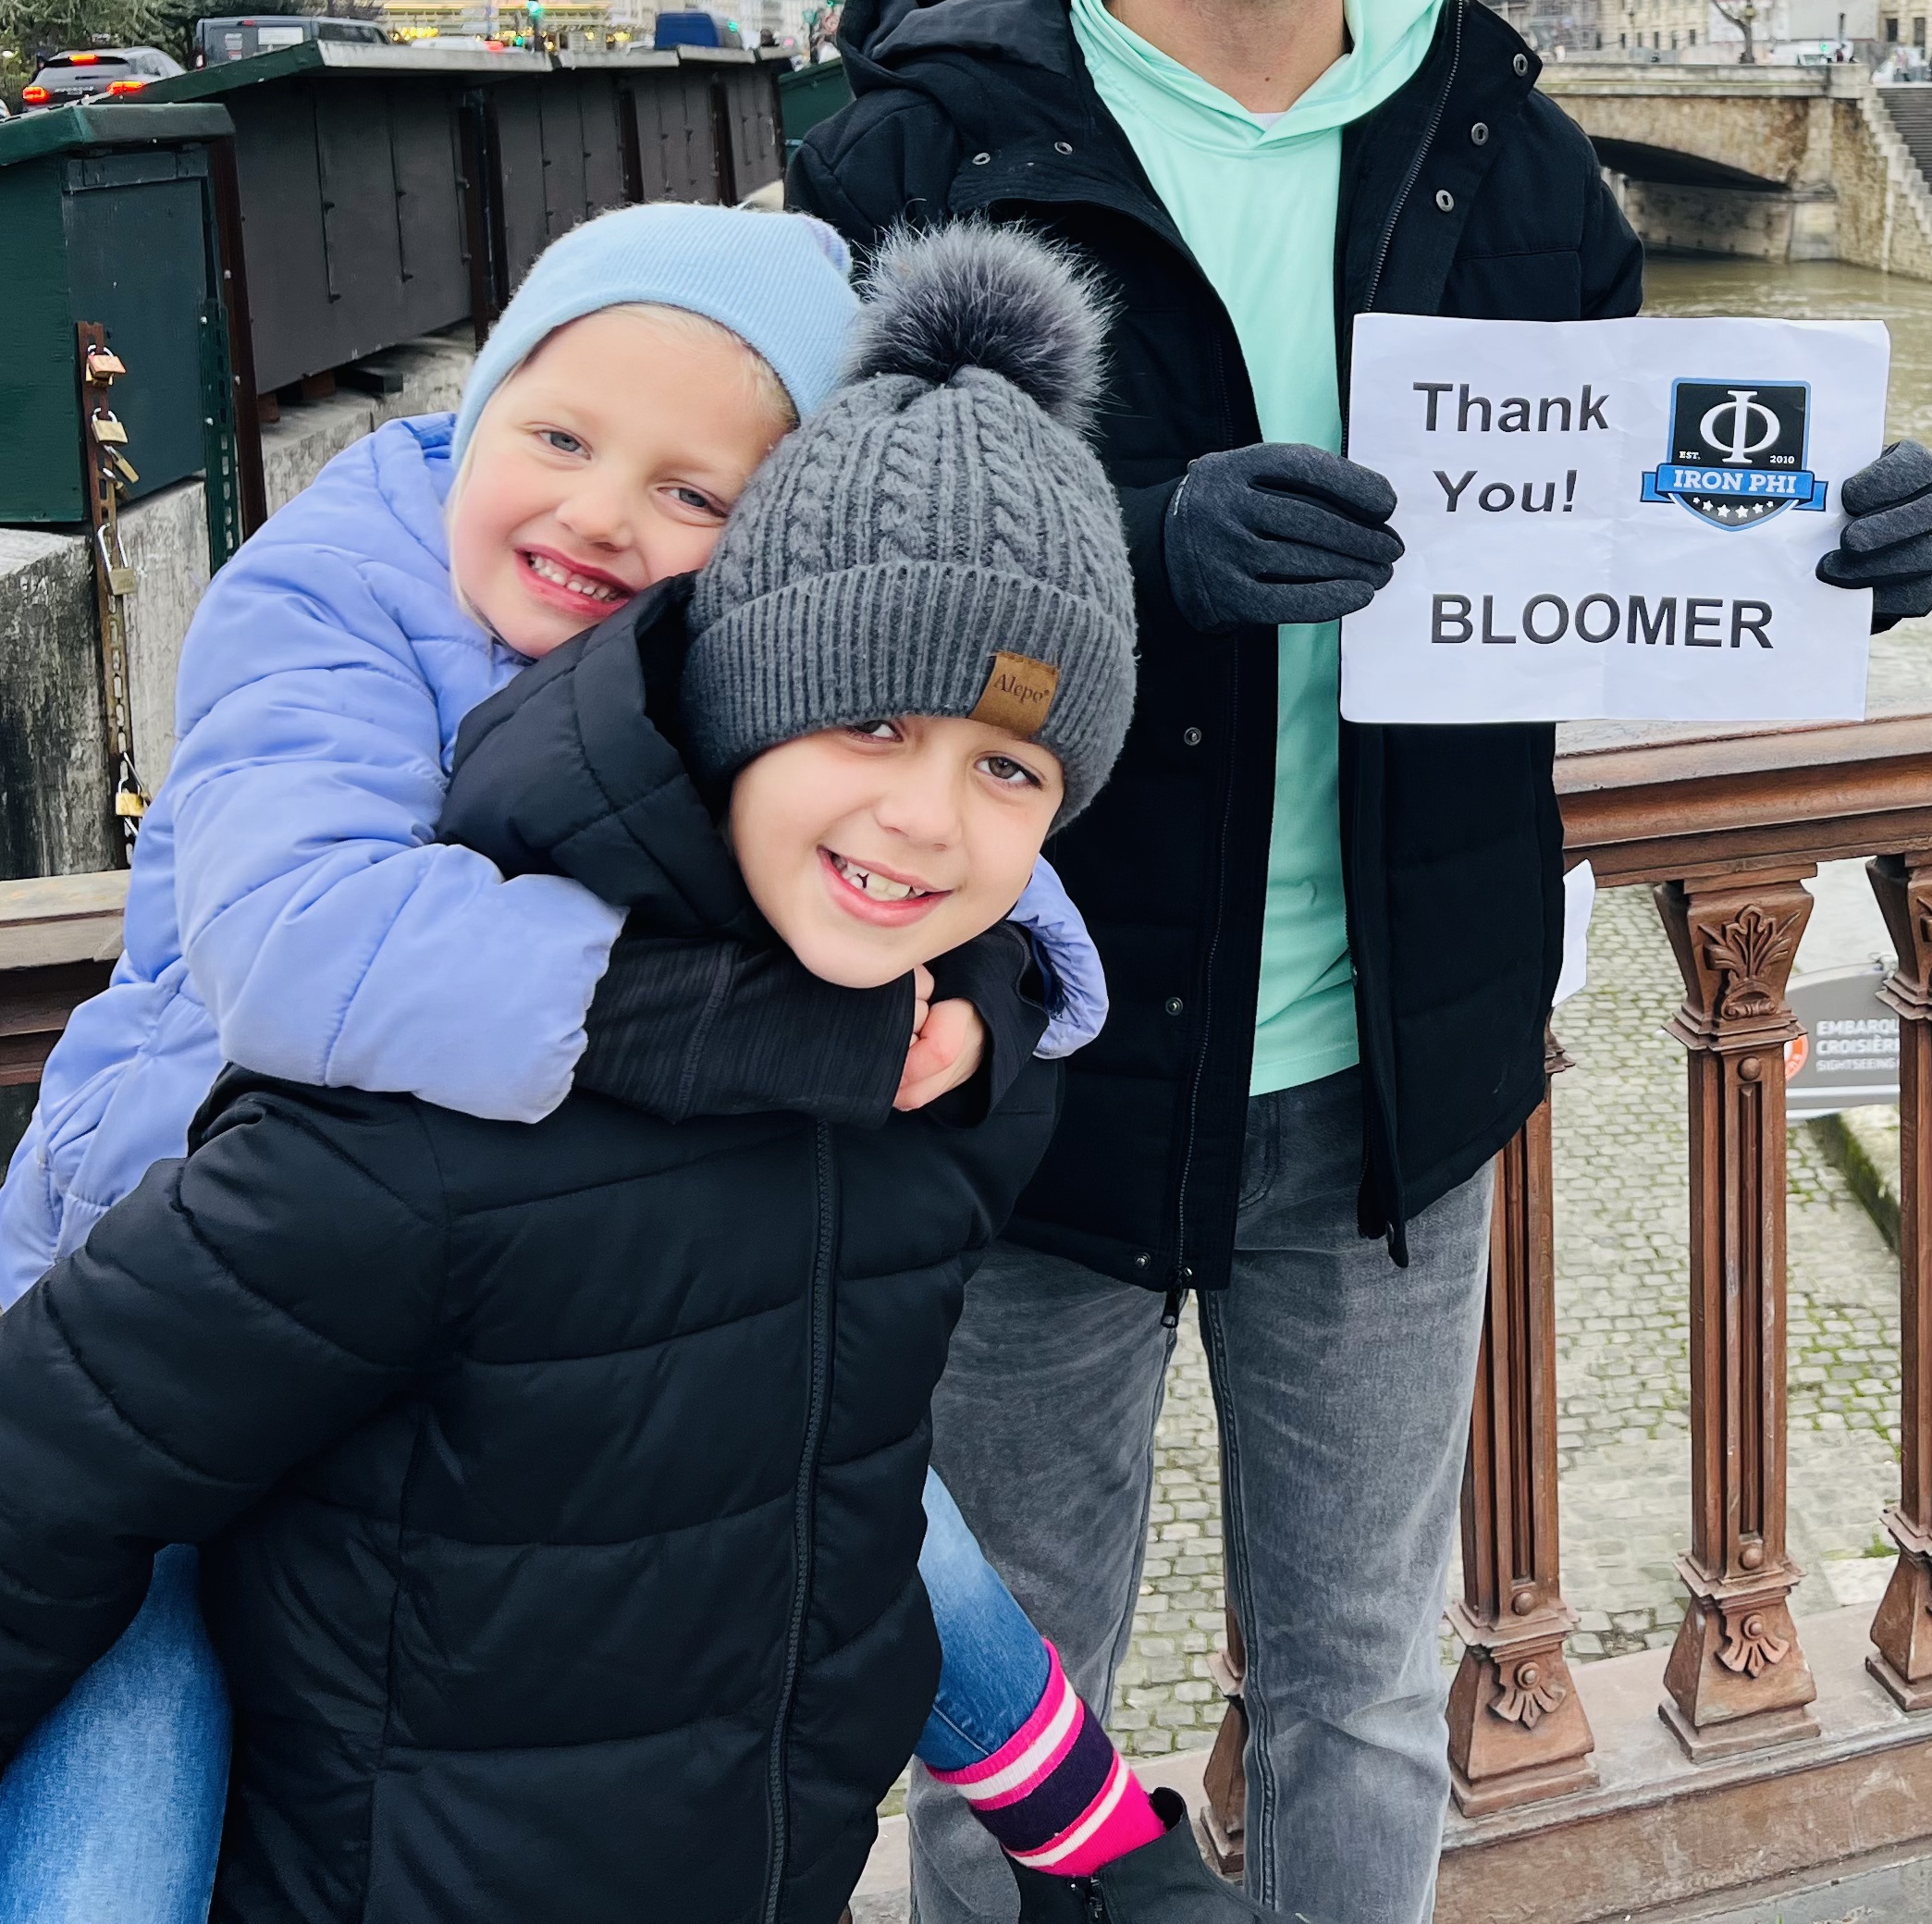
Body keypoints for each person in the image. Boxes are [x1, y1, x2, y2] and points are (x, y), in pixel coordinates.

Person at [789, 0, 1932, 1924]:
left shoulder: (1512, 154)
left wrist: (1831, 540)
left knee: (1357, 1683)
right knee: (1007, 1718)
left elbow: (1625, 538)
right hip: (1023, 1060)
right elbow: (796, 590)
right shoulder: (919, 147)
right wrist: (1142, 547)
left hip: (1386, 1081)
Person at [0, 227, 1266, 1924]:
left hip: (504, 1318)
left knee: (838, 1482)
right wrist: (783, 1030)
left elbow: (958, 822)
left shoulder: (769, 697)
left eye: (692, 494)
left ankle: (1104, 1851)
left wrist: (981, 998)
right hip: (140, 1240)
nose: (601, 516)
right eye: (558, 437)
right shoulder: (339, 590)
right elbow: (300, 951)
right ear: (481, 411)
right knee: (121, 1790)